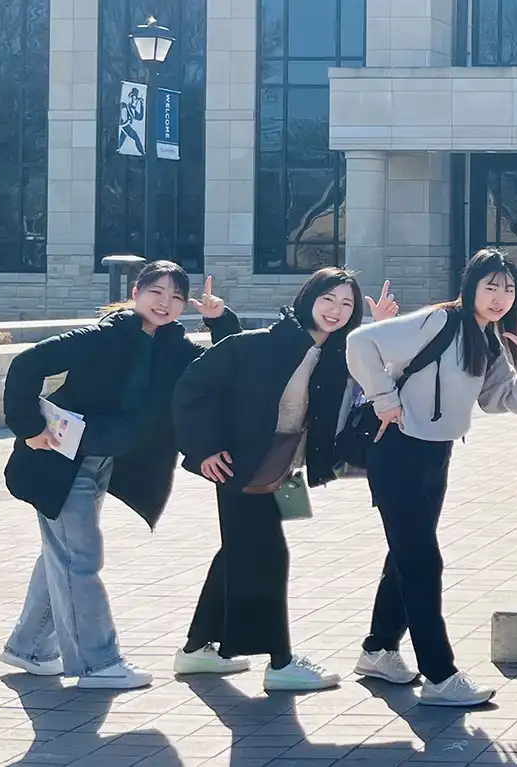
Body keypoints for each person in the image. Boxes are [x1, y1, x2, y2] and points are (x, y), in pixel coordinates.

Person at [0, 261, 242, 689]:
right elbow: (26, 363)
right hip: (59, 458)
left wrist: (220, 320)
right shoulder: (102, 335)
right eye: (157, 292)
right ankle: (97, 663)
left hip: (99, 462)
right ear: (136, 292)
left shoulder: (174, 347)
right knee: (79, 557)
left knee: (63, 554)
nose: (165, 303)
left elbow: (225, 367)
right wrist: (29, 426)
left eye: (175, 296)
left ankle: (30, 647)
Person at [170, 269, 400, 691]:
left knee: (236, 553)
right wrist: (204, 448)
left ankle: (196, 649)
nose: (336, 311)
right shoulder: (258, 345)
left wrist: (380, 330)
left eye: (347, 304)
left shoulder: (332, 355)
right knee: (269, 556)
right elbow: (191, 389)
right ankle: (280, 662)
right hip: (241, 464)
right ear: (308, 297)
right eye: (328, 299)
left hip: (281, 469)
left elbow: (369, 381)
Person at [345, 248, 517, 707]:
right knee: (422, 561)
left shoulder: (488, 338)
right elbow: (361, 342)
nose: (499, 297)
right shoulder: (439, 321)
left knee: (406, 554)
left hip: (436, 455)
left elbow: (505, 402)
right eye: (490, 286)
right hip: (396, 449)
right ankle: (440, 675)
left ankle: (378, 649)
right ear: (470, 285)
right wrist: (383, 398)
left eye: (508, 289)